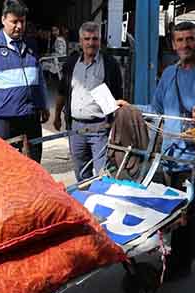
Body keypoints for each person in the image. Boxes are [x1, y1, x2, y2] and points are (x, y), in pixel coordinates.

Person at [117, 21, 195, 279]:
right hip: (168, 154)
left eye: (190, 39)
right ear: (173, 44)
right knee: (174, 207)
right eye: (180, 40)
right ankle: (186, 251)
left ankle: (181, 264)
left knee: (182, 210)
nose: (185, 44)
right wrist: (131, 108)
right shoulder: (169, 74)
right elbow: (156, 110)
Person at [0, 0, 49, 163]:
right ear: (3, 20)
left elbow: (39, 78)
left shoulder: (31, 45)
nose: (19, 26)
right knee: (3, 169)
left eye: (22, 21)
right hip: (2, 121)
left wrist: (43, 104)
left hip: (30, 119)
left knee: (33, 169)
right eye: (14, 21)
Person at [53, 21, 123, 181]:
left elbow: (118, 97)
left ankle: (100, 204)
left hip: (100, 129)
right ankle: (85, 204)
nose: (91, 43)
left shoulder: (110, 64)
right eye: (87, 39)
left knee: (103, 176)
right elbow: (62, 92)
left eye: (95, 39)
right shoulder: (71, 64)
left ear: (100, 40)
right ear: (80, 41)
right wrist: (57, 116)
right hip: (76, 129)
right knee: (81, 174)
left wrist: (115, 125)